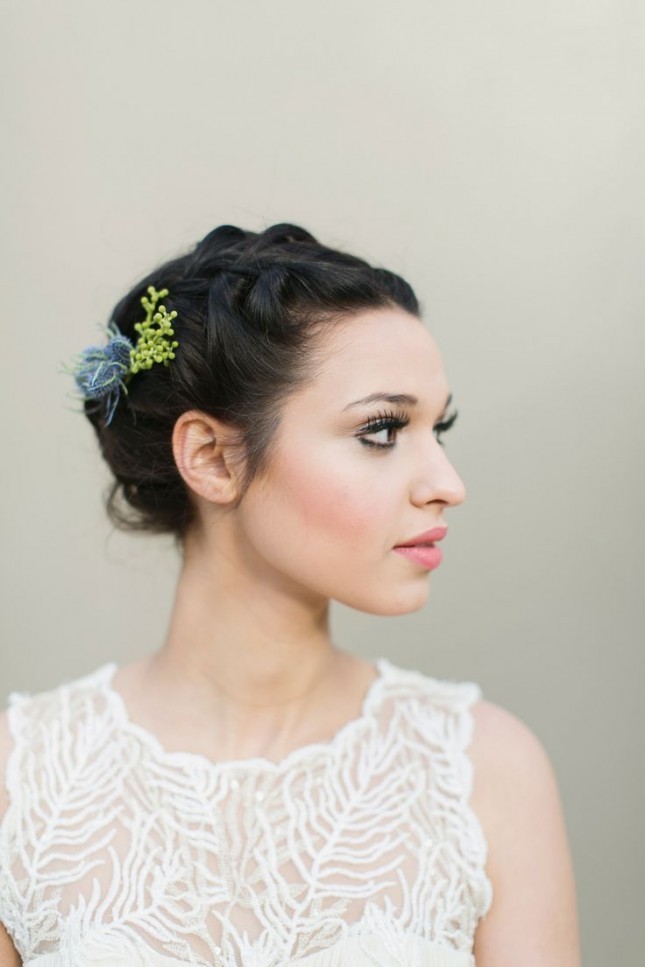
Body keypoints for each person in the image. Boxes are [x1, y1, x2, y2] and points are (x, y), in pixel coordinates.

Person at [0, 223, 580, 966]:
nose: (447, 484)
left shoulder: (484, 771)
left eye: (440, 428)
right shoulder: (22, 785)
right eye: (381, 429)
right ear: (211, 458)